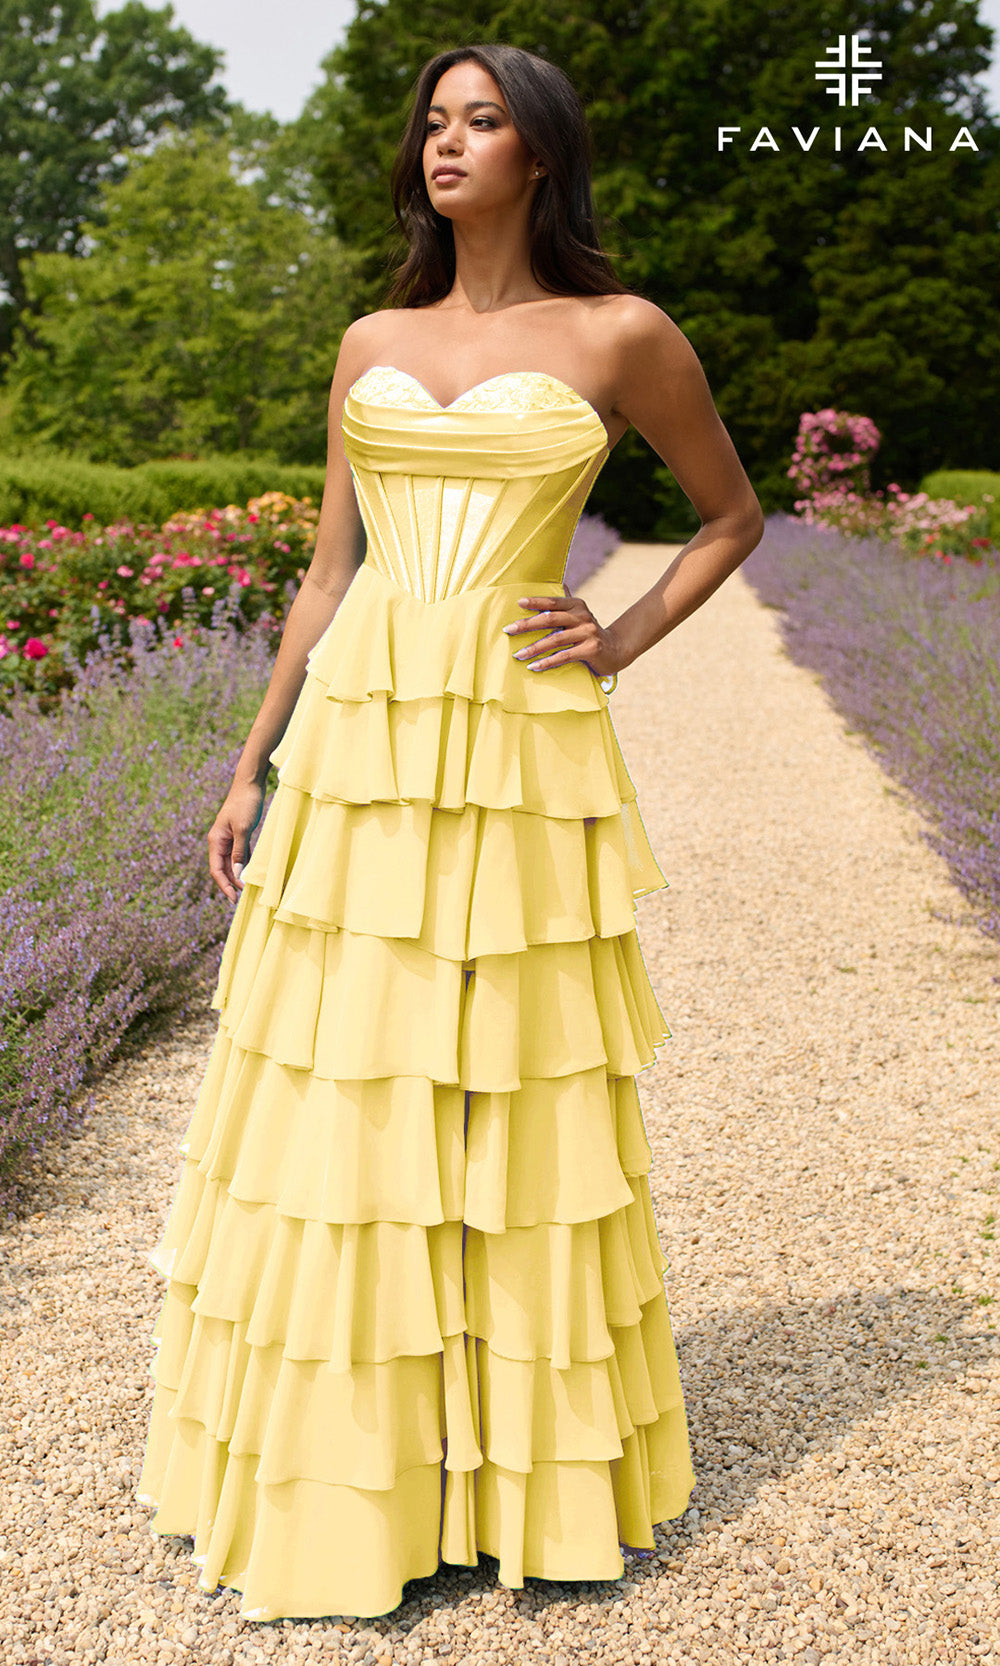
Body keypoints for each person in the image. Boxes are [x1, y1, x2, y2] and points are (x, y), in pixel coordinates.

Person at [136, 42, 764, 1623]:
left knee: (508, 1087)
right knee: (350, 1084)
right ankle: (359, 1471)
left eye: (483, 121)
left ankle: (514, 1475)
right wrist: (248, 764)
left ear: (542, 153)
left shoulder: (622, 333)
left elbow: (730, 515)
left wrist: (616, 641)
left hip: (517, 744)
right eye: (434, 120)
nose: (448, 143)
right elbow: (330, 573)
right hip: (359, 745)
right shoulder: (371, 336)